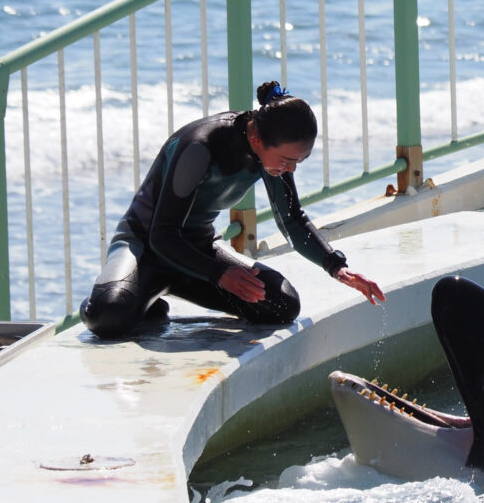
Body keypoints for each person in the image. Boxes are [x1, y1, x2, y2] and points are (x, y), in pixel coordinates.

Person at [80, 80, 385, 339]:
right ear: (256, 138)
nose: (290, 169)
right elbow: (162, 234)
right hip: (144, 246)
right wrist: (219, 274)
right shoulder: (200, 145)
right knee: (107, 317)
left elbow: (292, 220)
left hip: (197, 253)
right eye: (286, 160)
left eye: (297, 162)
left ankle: (149, 295)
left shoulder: (272, 156)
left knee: (282, 305)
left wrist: (336, 266)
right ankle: (133, 292)